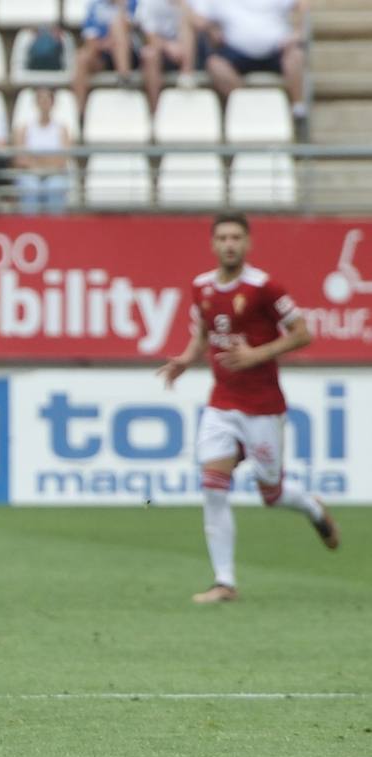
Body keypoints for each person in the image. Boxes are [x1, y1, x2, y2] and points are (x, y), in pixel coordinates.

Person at [157, 212, 339, 604]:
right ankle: (224, 582)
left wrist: (259, 353)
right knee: (212, 487)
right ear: (212, 243)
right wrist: (188, 359)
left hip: (262, 406)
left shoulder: (265, 287)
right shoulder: (201, 287)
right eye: (222, 237)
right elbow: (203, 332)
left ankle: (311, 507)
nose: (229, 244)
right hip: (222, 403)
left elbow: (302, 333)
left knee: (271, 494)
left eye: (236, 237)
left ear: (248, 243)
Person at [192, 0, 309, 136]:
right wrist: (212, 29)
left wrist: (298, 32)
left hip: (277, 49)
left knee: (296, 55)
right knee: (214, 64)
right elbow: (198, 18)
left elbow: (303, 4)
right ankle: (246, 108)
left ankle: (298, 111)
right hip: (234, 51)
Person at [71, 0, 138, 114]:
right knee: (81, 57)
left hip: (130, 54)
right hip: (103, 55)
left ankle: (124, 78)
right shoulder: (94, 7)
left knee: (118, 28)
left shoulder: (132, 3)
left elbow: (134, 28)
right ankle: (80, 114)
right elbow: (90, 40)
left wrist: (122, 7)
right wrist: (108, 43)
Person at [13, 88, 72, 214]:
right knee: (30, 187)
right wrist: (46, 161)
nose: (44, 102)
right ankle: (29, 226)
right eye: (41, 99)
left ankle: (55, 227)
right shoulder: (24, 128)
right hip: (31, 174)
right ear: (36, 102)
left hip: (54, 174)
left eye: (47, 99)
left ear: (53, 103)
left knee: (55, 186)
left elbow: (63, 160)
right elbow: (20, 159)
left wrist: (37, 159)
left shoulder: (62, 129)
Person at [136, 0, 200, 113]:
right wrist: (169, 47)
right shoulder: (148, 3)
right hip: (163, 51)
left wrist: (183, 7)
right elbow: (149, 36)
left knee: (187, 22)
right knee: (149, 55)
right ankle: (155, 113)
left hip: (193, 51)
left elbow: (201, 24)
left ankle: (187, 75)